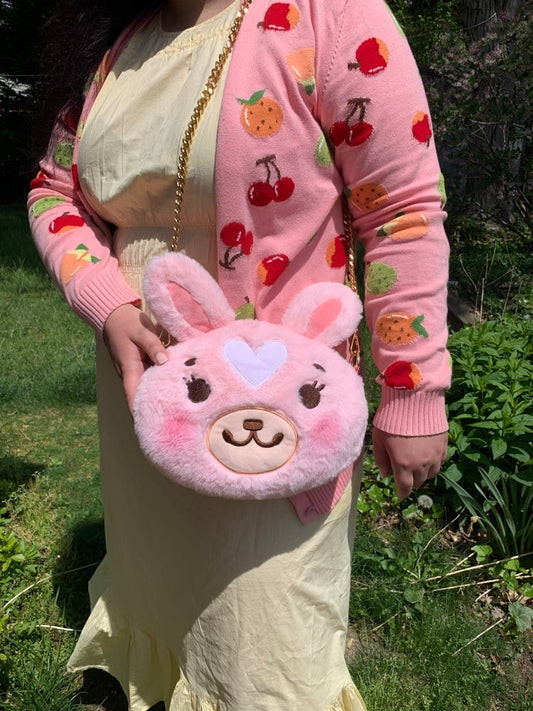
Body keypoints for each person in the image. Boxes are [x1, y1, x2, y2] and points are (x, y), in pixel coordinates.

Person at [28, 0, 450, 709]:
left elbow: (401, 208)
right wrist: (106, 301)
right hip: (145, 398)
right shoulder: (119, 46)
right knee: (164, 578)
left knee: (265, 627)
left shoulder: (335, 18)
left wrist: (412, 388)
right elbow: (53, 191)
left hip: (275, 410)